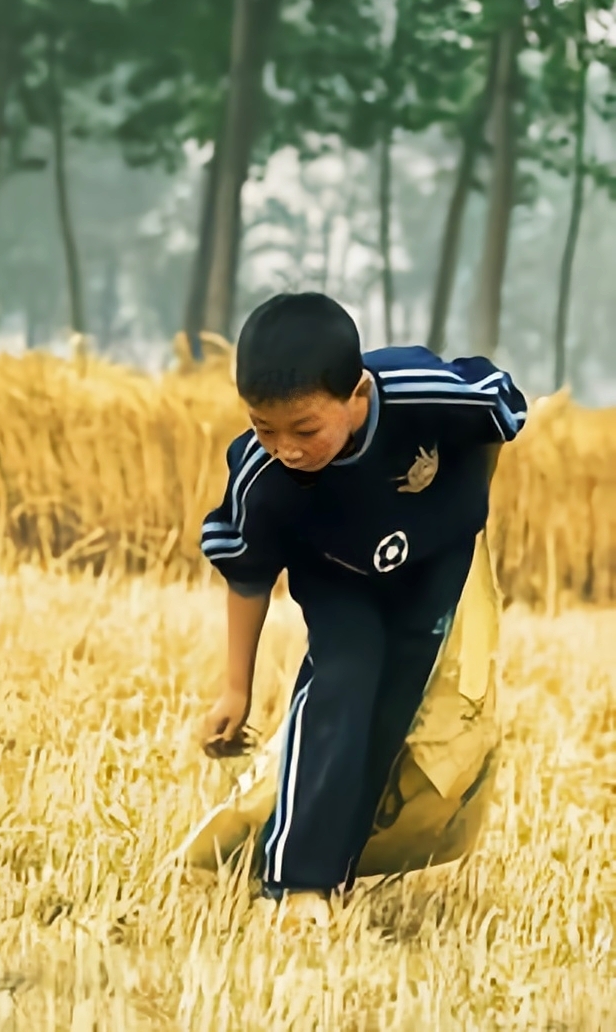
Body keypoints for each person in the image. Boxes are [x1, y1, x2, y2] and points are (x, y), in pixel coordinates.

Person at [197, 292, 526, 929]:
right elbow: (248, 576)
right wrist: (235, 688)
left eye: (304, 430)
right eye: (264, 428)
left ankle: (338, 869)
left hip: (432, 568)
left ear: (358, 395)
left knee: (389, 717)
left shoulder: (427, 392)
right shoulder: (260, 475)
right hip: (337, 577)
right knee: (341, 688)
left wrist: (467, 505)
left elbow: (500, 406)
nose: (285, 448)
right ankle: (295, 885)